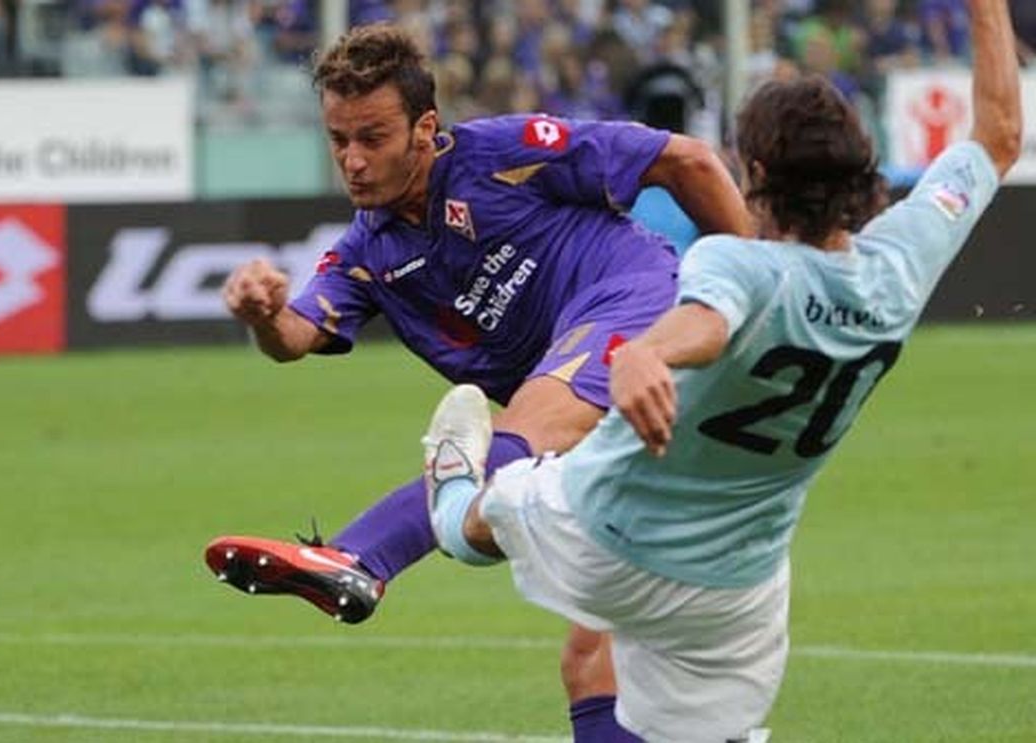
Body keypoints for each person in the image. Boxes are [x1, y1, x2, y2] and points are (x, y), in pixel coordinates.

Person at [418, 0, 1021, 739]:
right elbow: (997, 135)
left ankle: (449, 483)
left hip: (602, 530)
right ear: (861, 171)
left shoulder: (734, 261)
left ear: (755, 171)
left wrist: (644, 352)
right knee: (630, 685)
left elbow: (705, 323)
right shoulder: (902, 266)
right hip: (734, 584)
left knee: (477, 519)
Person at [203, 22, 751, 742]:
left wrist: (756, 285)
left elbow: (686, 160)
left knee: (524, 430)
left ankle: (362, 555)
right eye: (339, 140)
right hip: (602, 418)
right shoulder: (368, 250)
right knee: (595, 659)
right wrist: (264, 314)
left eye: (372, 136)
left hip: (630, 302)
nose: (353, 161)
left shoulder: (505, 152)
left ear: (425, 128)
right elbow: (298, 337)